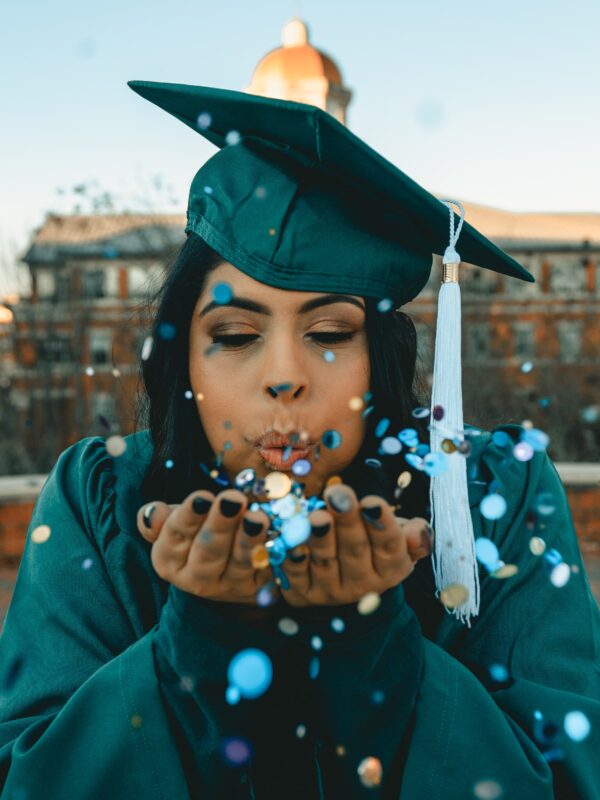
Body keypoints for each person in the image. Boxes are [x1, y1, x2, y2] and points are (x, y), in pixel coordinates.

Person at [0, 84, 597, 800]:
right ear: (182, 355)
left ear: (382, 356)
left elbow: (569, 775)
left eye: (329, 334)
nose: (284, 379)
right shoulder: (103, 502)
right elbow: (27, 777)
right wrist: (194, 646)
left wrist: (377, 651)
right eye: (235, 335)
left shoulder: (492, 498)